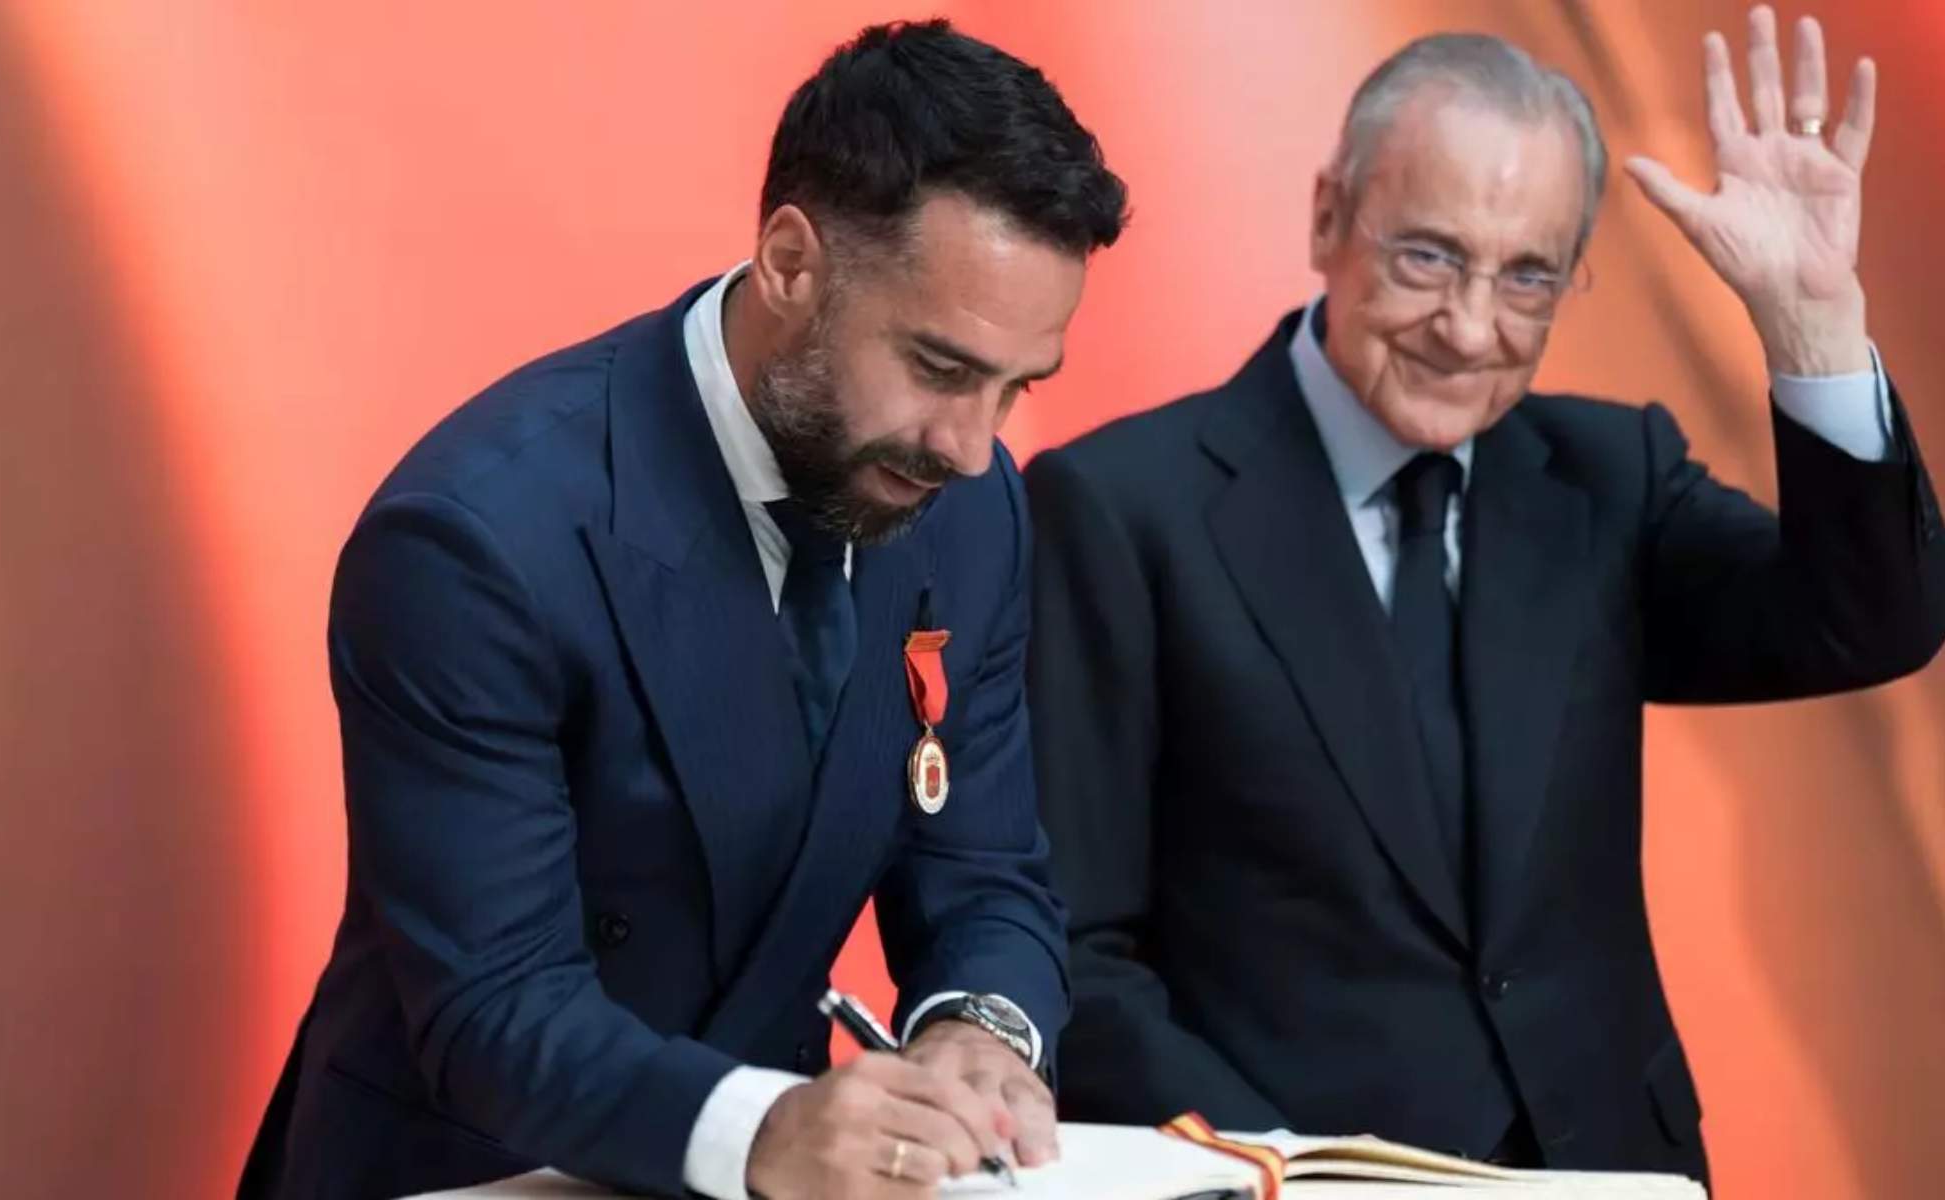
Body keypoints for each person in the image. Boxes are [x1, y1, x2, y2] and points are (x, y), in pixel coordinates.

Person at [1026, 6, 1941, 1182]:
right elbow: (1072, 950)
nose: (1467, 329)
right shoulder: (1119, 508)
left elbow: (1865, 622)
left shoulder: (1610, 479)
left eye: (1526, 277)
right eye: (1426, 257)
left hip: (1608, 1174)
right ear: (1326, 216)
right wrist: (1292, 1173)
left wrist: (1810, 324)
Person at [238, 20, 1127, 1199]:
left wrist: (981, 1031)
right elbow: (496, 1008)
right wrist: (769, 1133)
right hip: (471, 1172)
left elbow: (983, 870)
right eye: (939, 368)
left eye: (1014, 388)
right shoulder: (474, 540)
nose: (971, 446)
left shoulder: (972, 511)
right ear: (791, 262)